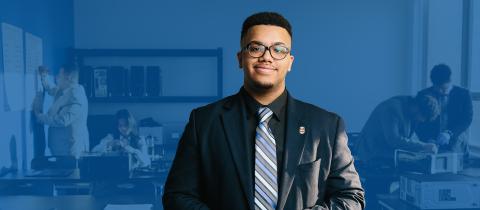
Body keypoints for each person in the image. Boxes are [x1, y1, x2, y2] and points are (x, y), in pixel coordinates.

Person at [163, 12, 364, 210]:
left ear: (290, 62)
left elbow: (352, 197)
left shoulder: (327, 125)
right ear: (240, 58)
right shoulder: (204, 121)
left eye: (278, 50)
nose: (267, 57)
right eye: (256, 48)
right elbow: (177, 196)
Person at [355, 95, 440, 166]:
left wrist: (424, 146)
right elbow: (394, 139)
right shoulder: (392, 109)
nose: (422, 121)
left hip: (386, 151)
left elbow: (408, 137)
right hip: (370, 152)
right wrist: (423, 146)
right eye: (423, 117)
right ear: (417, 108)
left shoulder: (410, 110)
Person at [32, 64, 89, 158]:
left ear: (69, 78)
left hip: (70, 153)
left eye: (59, 75)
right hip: (62, 151)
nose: (56, 77)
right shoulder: (67, 90)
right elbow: (53, 89)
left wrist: (39, 116)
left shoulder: (76, 97)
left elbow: (62, 120)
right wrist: (44, 76)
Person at [416, 64, 473, 155]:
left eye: (444, 88)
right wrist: (427, 138)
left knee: (451, 158)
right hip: (431, 140)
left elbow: (467, 119)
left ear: (450, 81)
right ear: (433, 83)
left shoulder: (464, 94)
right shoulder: (423, 95)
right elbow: (418, 121)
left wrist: (449, 133)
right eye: (437, 88)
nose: (440, 91)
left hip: (456, 137)